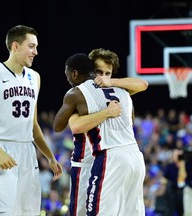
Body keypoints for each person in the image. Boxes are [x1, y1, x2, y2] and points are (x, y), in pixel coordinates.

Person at [0, 25, 63, 215]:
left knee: (28, 211)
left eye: (36, 47)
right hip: (0, 147)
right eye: (31, 46)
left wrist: (49, 156)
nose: (36, 52)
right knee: (5, 212)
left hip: (27, 151)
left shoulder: (35, 77)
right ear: (15, 46)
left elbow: (33, 124)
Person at [54, 48, 148, 216]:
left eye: (107, 74)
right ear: (91, 69)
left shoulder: (78, 93)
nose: (102, 77)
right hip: (130, 156)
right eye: (99, 72)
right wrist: (107, 112)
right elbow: (141, 90)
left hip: (106, 158)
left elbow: (64, 126)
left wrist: (102, 109)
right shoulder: (124, 93)